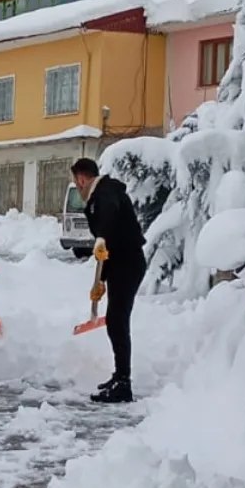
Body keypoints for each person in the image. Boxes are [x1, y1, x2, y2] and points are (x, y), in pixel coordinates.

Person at [71, 157, 145, 404]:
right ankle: (119, 376)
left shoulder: (106, 192)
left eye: (76, 181)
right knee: (116, 320)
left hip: (129, 262)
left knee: (117, 320)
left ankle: (123, 383)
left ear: (81, 178)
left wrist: (101, 236)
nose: (77, 186)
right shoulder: (99, 196)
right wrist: (101, 280)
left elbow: (110, 216)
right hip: (120, 263)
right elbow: (107, 245)